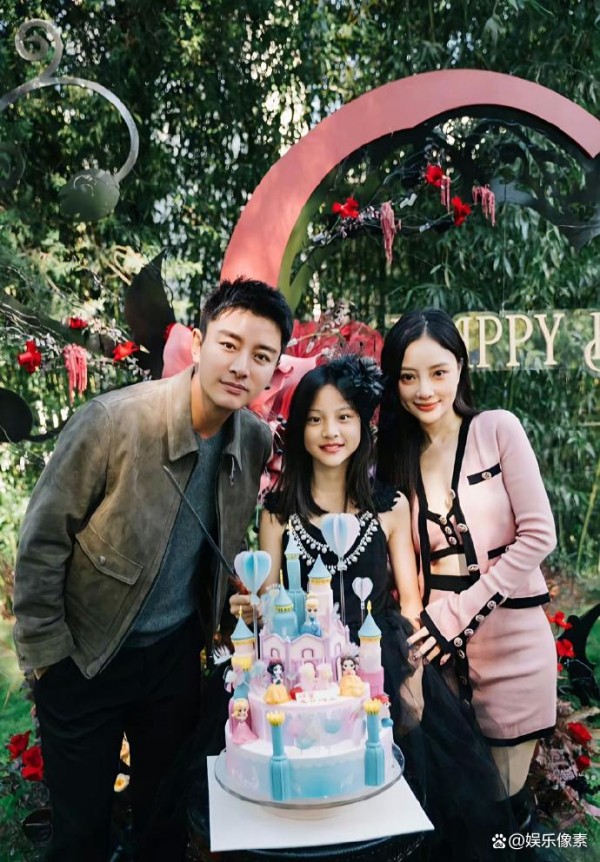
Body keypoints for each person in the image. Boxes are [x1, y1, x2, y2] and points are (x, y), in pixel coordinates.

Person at [12, 277, 294, 862]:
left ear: (273, 370)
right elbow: (41, 542)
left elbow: (220, 536)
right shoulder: (113, 422)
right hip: (87, 654)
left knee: (163, 824)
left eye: (261, 356)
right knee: (81, 835)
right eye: (229, 344)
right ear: (198, 343)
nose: (241, 366)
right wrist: (49, 660)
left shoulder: (252, 440)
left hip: (172, 660)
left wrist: (229, 604)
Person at [231, 355, 515, 860]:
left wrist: (414, 676)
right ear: (298, 430)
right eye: (315, 419)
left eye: (344, 417)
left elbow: (410, 602)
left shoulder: (391, 506)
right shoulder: (277, 513)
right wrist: (251, 607)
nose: (330, 432)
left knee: (395, 799)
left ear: (363, 424)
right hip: (301, 666)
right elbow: (271, 601)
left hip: (378, 653)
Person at [377, 308, 557, 838]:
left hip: (512, 650)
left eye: (438, 372)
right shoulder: (397, 458)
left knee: (500, 805)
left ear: (460, 366)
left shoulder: (497, 429)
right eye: (408, 377)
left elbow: (538, 535)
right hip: (438, 660)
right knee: (453, 807)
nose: (424, 390)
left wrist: (455, 614)